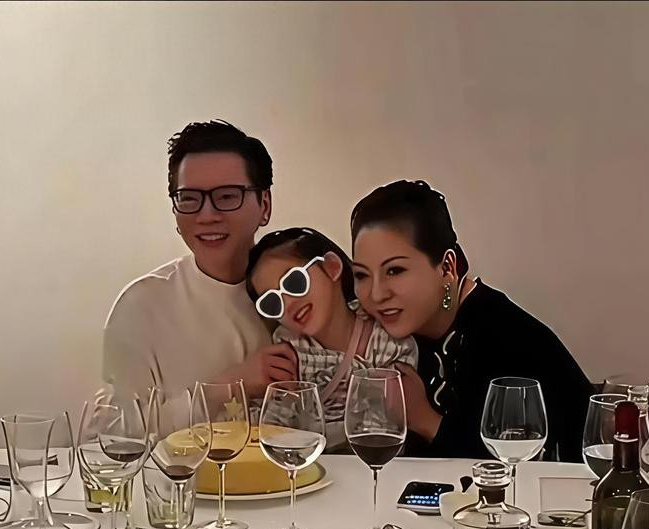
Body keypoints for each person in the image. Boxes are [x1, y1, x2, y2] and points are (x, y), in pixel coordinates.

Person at [349, 179, 592, 461]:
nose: (376, 294)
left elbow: (517, 465)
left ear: (447, 267)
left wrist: (425, 419)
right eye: (362, 275)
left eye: (395, 271)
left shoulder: (506, 338)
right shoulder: (390, 328)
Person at [103, 120, 297, 401]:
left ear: (264, 205)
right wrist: (230, 385)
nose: (207, 216)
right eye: (189, 198)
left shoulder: (299, 290)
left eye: (227, 196)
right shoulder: (141, 306)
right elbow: (125, 423)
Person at [245, 227, 418, 451]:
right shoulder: (288, 349)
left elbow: (381, 435)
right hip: (307, 466)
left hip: (370, 465)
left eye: (294, 282)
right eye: (272, 303)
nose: (288, 303)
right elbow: (274, 430)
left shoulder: (391, 343)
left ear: (332, 267)